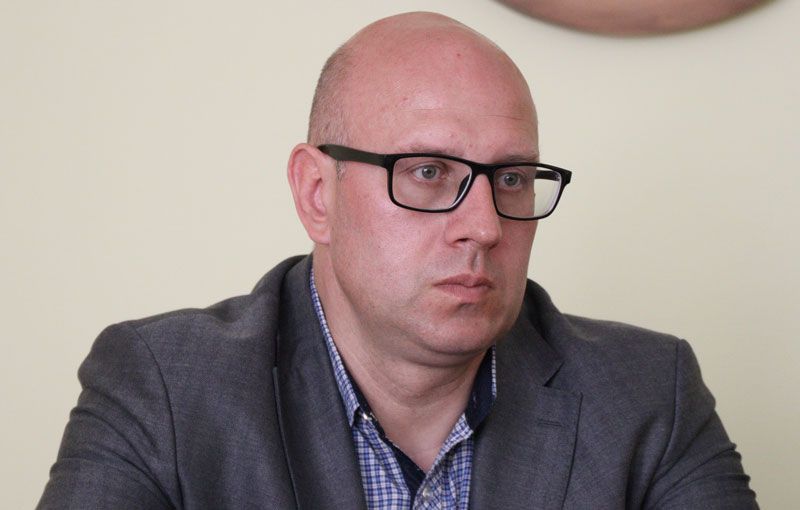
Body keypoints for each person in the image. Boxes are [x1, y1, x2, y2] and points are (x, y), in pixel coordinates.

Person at [38, 11, 757, 510]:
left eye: (511, 178)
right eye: (428, 172)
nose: (483, 227)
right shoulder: (163, 390)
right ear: (317, 193)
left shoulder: (647, 397)